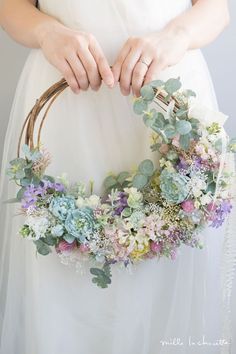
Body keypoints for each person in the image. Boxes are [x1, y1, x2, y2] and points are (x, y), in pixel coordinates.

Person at [0, 0, 234, 353]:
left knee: (168, 281)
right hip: (65, 101)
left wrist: (176, 35)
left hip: (168, 101)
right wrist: (47, 31)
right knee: (62, 287)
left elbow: (216, 9)